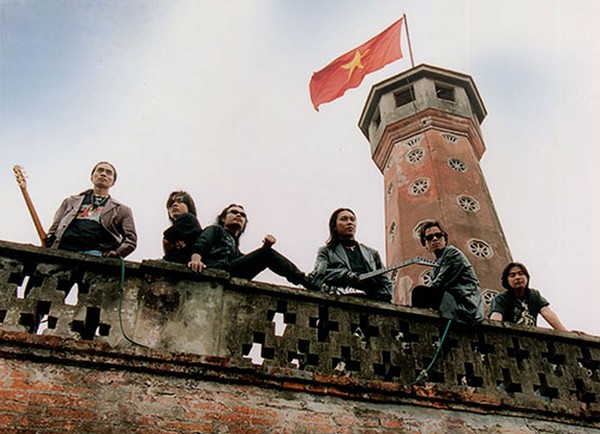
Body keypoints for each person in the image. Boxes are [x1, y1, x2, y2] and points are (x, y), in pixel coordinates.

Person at [187, 204, 319, 291]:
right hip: (217, 268)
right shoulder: (216, 229)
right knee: (266, 254)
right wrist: (196, 260)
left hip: (229, 271)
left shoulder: (235, 247)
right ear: (223, 218)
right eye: (234, 212)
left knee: (266, 253)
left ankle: (305, 280)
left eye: (242, 215)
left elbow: (248, 261)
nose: (239, 215)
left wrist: (266, 247)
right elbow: (202, 243)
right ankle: (305, 281)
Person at [46, 161, 137, 257]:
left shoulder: (121, 210)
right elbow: (54, 229)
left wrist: (117, 252)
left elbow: (131, 239)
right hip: (64, 251)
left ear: (113, 182)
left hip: (96, 254)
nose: (103, 174)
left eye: (109, 173)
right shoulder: (70, 202)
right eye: (100, 170)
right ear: (92, 177)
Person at [309, 208, 393, 302]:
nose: (349, 223)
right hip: (340, 300)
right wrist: (346, 275)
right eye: (344, 219)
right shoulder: (326, 251)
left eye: (352, 219)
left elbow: (386, 280)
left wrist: (385, 297)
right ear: (334, 226)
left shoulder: (372, 253)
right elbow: (320, 273)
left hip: (371, 302)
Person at [411, 220, 484, 325]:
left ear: (445, 239)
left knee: (420, 293)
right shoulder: (434, 268)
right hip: (450, 302)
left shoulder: (452, 253)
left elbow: (441, 282)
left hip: (465, 305)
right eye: (429, 237)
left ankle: (418, 327)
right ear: (426, 244)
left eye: (438, 235)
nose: (435, 239)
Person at [489, 262, 568, 331]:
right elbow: (496, 317)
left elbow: (547, 312)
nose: (517, 277)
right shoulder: (501, 298)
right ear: (507, 281)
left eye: (521, 273)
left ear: (527, 277)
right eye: (512, 275)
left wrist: (565, 332)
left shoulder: (534, 295)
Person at [162, 191, 203, 264]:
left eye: (179, 201)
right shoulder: (184, 225)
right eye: (171, 204)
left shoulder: (189, 218)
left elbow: (166, 240)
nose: (174, 204)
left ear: (188, 206)